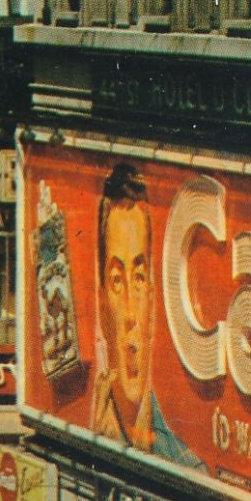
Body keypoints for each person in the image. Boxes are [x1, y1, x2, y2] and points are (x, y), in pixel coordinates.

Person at [89, 162, 203, 465]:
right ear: (101, 305)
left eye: (138, 280)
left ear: (152, 300)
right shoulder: (88, 434)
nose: (130, 313)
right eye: (116, 281)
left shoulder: (189, 468)